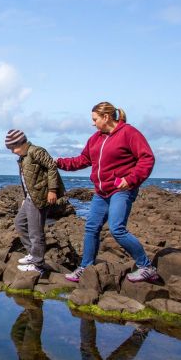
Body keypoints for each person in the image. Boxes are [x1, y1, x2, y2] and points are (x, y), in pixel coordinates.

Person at [56, 102, 157, 283]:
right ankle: (85, 268)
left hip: (121, 190)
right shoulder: (95, 139)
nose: (93, 123)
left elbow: (146, 158)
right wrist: (58, 162)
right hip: (101, 193)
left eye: (95, 119)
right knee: (91, 228)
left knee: (117, 229)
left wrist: (131, 180)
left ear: (106, 117)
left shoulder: (129, 133)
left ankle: (146, 267)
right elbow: (83, 160)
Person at [5, 129, 65, 275]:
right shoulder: (24, 156)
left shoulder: (36, 151)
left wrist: (52, 190)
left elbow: (51, 166)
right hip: (30, 198)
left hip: (40, 197)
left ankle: (38, 264)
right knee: (20, 223)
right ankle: (32, 254)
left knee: (35, 232)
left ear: (21, 143)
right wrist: (26, 198)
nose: (12, 151)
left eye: (13, 148)